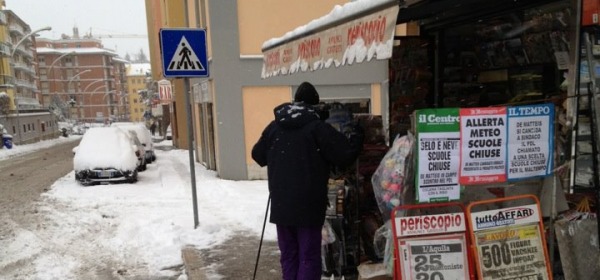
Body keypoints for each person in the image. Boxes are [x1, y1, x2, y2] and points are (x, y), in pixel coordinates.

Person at [252, 81, 363, 280]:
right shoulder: (316, 128)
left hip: (282, 205)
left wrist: (281, 154)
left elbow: (257, 155)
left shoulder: (275, 127)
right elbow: (345, 154)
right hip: (309, 205)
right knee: (309, 257)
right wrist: (357, 136)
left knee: (289, 255)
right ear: (315, 105)